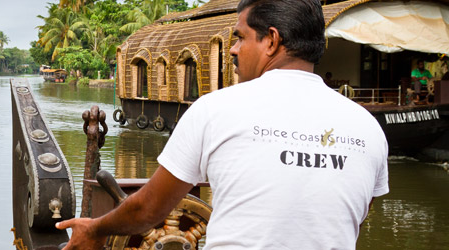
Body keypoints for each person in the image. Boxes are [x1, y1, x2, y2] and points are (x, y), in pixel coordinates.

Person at [56, 0, 389, 249]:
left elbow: (147, 210)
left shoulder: (216, 109)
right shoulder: (368, 126)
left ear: (271, 41)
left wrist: (96, 228)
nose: (233, 49)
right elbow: (353, 214)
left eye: (240, 37)